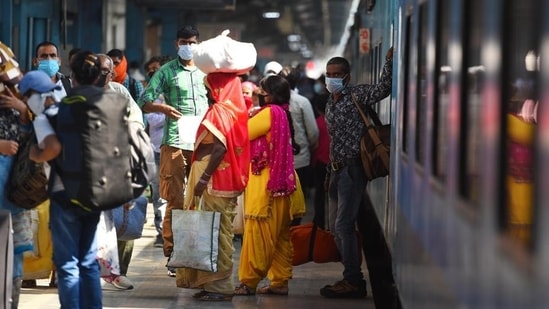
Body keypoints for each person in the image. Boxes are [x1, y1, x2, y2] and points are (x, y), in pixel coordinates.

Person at [28, 50, 104, 308]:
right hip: (96, 192)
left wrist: (34, 154)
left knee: (68, 263)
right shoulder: (106, 105)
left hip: (65, 192)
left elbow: (52, 149)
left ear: (72, 76)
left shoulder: (63, 108)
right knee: (88, 260)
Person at [320, 47, 393, 299]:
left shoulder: (356, 94)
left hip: (352, 170)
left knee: (344, 225)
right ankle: (350, 275)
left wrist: (388, 62)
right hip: (336, 171)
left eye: (337, 74)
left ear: (347, 76)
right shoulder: (331, 101)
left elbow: (383, 89)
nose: (332, 78)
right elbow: (333, 140)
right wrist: (329, 171)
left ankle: (353, 280)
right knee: (335, 227)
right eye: (328, 74)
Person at [138, 25, 209, 276]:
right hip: (175, 141)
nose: (187, 45)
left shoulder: (206, 71)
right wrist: (164, 109)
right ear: (176, 44)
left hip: (203, 142)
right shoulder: (166, 72)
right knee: (175, 200)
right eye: (183, 41)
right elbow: (144, 101)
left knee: (204, 198)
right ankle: (173, 254)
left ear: (198, 43)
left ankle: (201, 251)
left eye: (191, 41)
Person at [176, 72, 250, 301]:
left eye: (211, 87)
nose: (208, 91)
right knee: (215, 231)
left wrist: (203, 178)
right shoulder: (236, 111)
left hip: (213, 178)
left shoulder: (219, 110)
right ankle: (210, 283)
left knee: (213, 232)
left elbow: (219, 148)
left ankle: (221, 287)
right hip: (222, 179)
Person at [234, 75, 305, 296]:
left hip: (266, 184)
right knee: (281, 236)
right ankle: (279, 282)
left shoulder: (268, 113)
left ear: (269, 94)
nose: (258, 95)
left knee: (259, 235)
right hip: (286, 183)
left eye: (261, 91)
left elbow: (242, 134)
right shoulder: (283, 112)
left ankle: (248, 282)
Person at [94, 53, 145, 290]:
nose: (106, 75)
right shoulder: (76, 94)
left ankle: (115, 271)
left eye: (109, 71)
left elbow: (135, 121)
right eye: (102, 70)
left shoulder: (119, 91)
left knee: (115, 221)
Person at [0, 55, 32, 309]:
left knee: (17, 247)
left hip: (15, 188)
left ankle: (11, 301)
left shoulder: (20, 103)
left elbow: (33, 137)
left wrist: (23, 111)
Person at [279, 66, 319, 206]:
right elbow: (313, 132)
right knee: (297, 202)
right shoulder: (302, 102)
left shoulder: (271, 102)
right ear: (298, 82)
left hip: (277, 161)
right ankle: (295, 227)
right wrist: (308, 148)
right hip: (300, 160)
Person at [143, 55, 172, 248]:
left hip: (174, 146)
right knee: (158, 194)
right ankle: (161, 232)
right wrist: (168, 111)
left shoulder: (173, 90)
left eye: (157, 68)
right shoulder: (149, 92)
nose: (154, 72)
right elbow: (151, 119)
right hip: (156, 148)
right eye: (150, 69)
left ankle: (172, 231)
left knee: (175, 192)